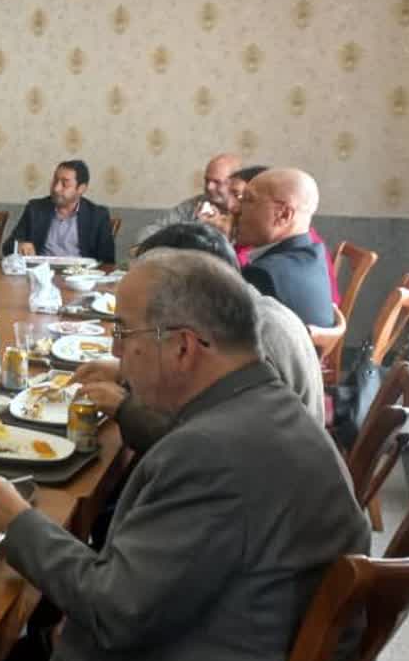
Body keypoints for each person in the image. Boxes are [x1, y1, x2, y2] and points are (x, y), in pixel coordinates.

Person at [0, 250, 368, 661]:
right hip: (228, 660)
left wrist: (15, 519)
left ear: (183, 347)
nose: (117, 349)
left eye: (124, 332)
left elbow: (113, 610)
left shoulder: (212, 453)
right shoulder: (264, 408)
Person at [74, 222, 327, 452]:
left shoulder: (255, 341)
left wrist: (123, 408)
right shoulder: (249, 311)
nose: (117, 349)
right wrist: (127, 372)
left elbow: (198, 442)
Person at [236, 168, 335, 327]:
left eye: (248, 200)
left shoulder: (264, 274)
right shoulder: (313, 253)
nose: (236, 209)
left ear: (284, 215)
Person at [2, 160, 116, 263]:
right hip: (41, 273)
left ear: (81, 188)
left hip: (79, 275)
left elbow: (108, 261)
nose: (56, 188)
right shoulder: (35, 209)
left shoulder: (97, 216)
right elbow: (8, 246)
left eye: (65, 184)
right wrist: (20, 246)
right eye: (55, 181)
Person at [133, 152, 241, 245]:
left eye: (217, 182)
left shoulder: (245, 211)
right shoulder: (194, 204)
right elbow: (148, 233)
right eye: (207, 180)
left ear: (235, 183)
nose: (209, 187)